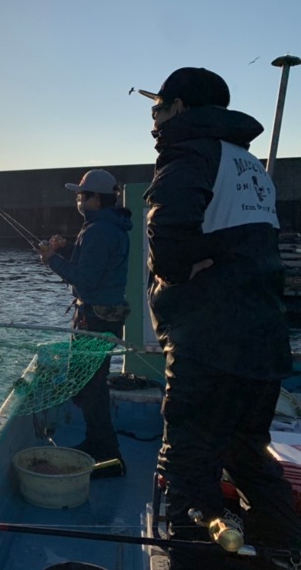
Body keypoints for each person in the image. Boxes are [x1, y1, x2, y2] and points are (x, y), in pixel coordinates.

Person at [139, 67, 301, 569]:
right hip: (263, 346)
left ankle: (193, 558)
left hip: (208, 347)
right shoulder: (249, 165)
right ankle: (282, 554)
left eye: (158, 108)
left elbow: (168, 249)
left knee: (188, 475)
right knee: (251, 460)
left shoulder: (189, 154)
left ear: (181, 107)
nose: (153, 121)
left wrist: (190, 260)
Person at [39, 168, 132, 478]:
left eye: (82, 195)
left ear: (95, 198)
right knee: (90, 385)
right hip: (103, 317)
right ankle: (98, 444)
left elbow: (85, 282)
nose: (78, 200)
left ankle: (107, 455)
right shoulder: (108, 227)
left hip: (93, 318)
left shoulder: (97, 231)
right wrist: (66, 249)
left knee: (89, 388)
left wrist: (51, 259)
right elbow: (95, 267)